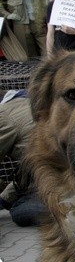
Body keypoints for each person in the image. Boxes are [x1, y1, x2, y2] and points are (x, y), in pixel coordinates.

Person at [0, 90, 46, 227]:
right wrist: (4, 199)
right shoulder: (26, 103)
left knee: (20, 211)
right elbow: (28, 167)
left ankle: (70, 211)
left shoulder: (4, 114)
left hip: (58, 181)